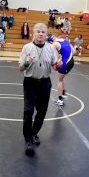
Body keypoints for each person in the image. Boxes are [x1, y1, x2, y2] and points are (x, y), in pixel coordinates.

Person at [18, 23, 62, 156]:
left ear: (46, 34)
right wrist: (27, 62)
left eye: (43, 32)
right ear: (33, 33)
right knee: (28, 111)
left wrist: (58, 65)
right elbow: (21, 68)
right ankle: (28, 140)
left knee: (41, 112)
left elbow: (55, 67)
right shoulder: (27, 48)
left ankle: (33, 133)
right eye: (38, 31)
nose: (41, 34)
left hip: (45, 83)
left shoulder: (50, 49)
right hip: (30, 82)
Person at [47, 34, 76, 106]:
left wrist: (55, 64)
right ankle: (63, 94)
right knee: (62, 78)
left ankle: (60, 100)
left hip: (65, 63)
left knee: (59, 80)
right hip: (71, 62)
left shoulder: (54, 44)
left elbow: (56, 58)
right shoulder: (65, 40)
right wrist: (65, 54)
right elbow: (74, 52)